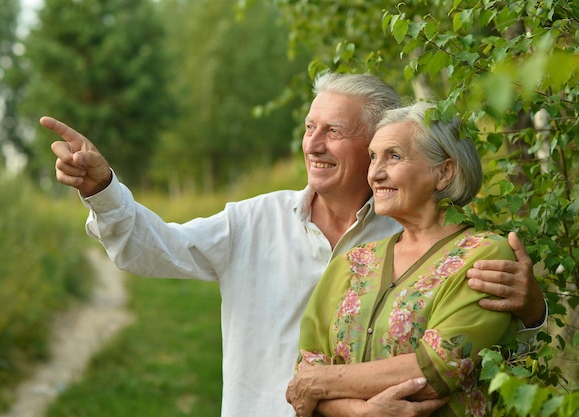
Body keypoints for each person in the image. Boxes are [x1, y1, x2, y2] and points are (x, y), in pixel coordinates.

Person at [42, 73, 545, 417]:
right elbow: (150, 249)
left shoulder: (413, 232)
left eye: (333, 131)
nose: (312, 144)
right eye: (309, 128)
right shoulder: (253, 219)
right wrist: (103, 190)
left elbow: (477, 351)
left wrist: (532, 309)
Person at [286, 101, 522, 417]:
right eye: (373, 157)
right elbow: (307, 370)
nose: (376, 173)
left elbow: (436, 369)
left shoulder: (483, 255)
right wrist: (361, 413)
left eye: (394, 156)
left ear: (444, 172)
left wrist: (323, 383)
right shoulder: (352, 263)